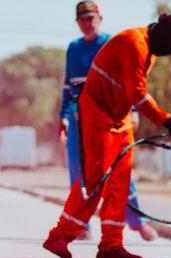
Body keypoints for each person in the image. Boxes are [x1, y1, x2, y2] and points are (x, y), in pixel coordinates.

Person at [43, 14, 171, 258]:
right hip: (97, 113)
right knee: (96, 178)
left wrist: (170, 123)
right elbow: (138, 93)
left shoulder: (150, 50)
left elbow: (130, 93)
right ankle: (59, 236)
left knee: (120, 181)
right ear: (165, 36)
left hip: (120, 117)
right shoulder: (134, 43)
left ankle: (111, 245)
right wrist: (170, 123)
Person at [60, 1, 157, 241]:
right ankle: (82, 226)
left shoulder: (112, 43)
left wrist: (133, 110)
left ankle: (137, 222)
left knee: (118, 168)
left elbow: (129, 81)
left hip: (110, 116)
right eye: (82, 20)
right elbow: (67, 85)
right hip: (78, 117)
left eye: (91, 18)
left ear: (100, 18)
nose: (87, 23)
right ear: (77, 23)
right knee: (79, 171)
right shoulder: (73, 48)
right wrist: (63, 117)